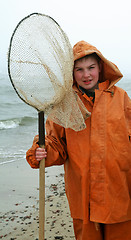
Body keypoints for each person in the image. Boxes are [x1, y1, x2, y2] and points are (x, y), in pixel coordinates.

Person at [26, 40, 131, 240]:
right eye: (79, 70)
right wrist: (42, 151)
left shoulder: (121, 98)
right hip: (83, 196)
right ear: (71, 73)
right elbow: (55, 144)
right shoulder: (65, 105)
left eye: (91, 67)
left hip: (119, 193)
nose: (86, 75)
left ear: (100, 67)